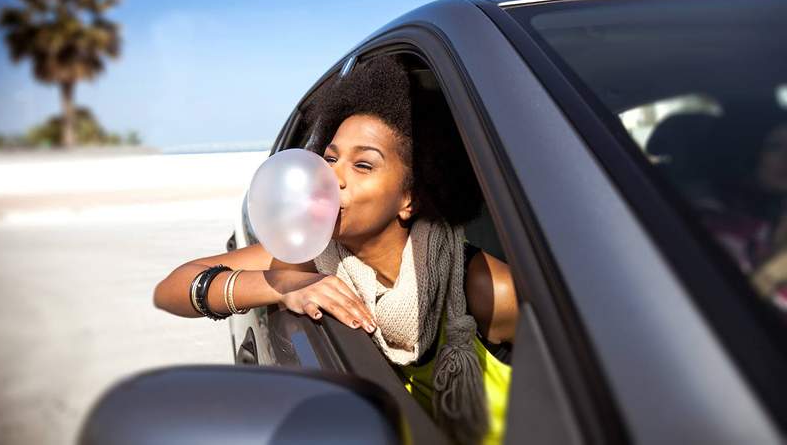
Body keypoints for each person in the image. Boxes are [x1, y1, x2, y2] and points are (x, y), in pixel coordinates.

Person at [153, 55, 519, 445]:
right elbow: (170, 290)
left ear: (408, 200)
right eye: (329, 158)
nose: (332, 177)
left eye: (363, 165)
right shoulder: (314, 251)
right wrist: (282, 284)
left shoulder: (486, 290)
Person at [698, 108, 787, 314]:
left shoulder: (778, 207)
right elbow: (727, 312)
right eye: (775, 147)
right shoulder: (714, 220)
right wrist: (774, 271)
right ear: (748, 149)